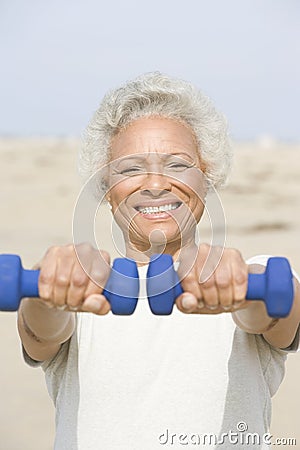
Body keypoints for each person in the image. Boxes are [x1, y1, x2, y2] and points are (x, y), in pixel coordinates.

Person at [17, 72, 300, 450]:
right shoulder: (82, 285)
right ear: (105, 188)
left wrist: (242, 292)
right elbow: (41, 332)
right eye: (130, 169)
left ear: (208, 176)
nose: (154, 184)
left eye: (178, 165)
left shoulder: (255, 275)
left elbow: (278, 314)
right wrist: (45, 292)